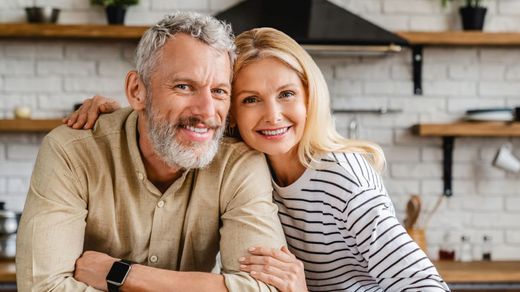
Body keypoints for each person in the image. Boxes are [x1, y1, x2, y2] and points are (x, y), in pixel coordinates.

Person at [66, 28, 450, 292]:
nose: (272, 116)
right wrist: (116, 114)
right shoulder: (248, 163)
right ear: (231, 111)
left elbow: (427, 287)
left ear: (309, 96)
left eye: (286, 94)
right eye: (250, 99)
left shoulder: (343, 180)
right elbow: (180, 115)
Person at [16, 12, 286, 292]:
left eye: (219, 91)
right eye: (184, 86)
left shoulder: (239, 163)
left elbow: (265, 288)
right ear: (137, 91)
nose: (207, 111)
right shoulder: (72, 152)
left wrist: (121, 275)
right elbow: (44, 287)